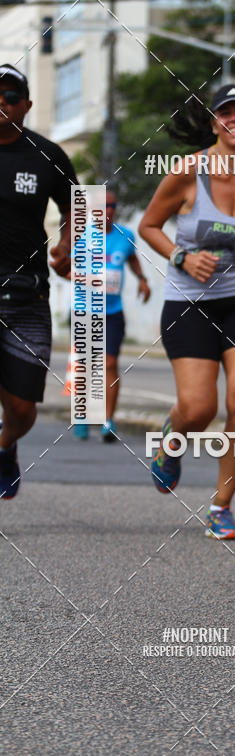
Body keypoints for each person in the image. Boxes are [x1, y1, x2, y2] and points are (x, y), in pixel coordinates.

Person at [139, 84, 235, 539]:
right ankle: (173, 436)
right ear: (214, 123)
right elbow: (148, 226)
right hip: (188, 306)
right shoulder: (189, 171)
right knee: (199, 408)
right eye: (227, 112)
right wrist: (181, 257)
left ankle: (221, 505)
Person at [0, 64, 77, 500]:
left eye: (10, 96)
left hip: (26, 295)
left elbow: (79, 208)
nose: (1, 103)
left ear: (26, 105)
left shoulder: (47, 154)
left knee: (23, 408)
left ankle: (6, 444)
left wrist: (68, 243)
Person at [72, 188, 151, 442]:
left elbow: (132, 259)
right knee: (84, 367)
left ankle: (108, 420)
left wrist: (142, 280)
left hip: (113, 312)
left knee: (110, 364)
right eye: (102, 206)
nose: (108, 211)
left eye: (112, 206)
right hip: (85, 310)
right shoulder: (82, 236)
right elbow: (66, 268)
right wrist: (87, 278)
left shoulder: (125, 235)